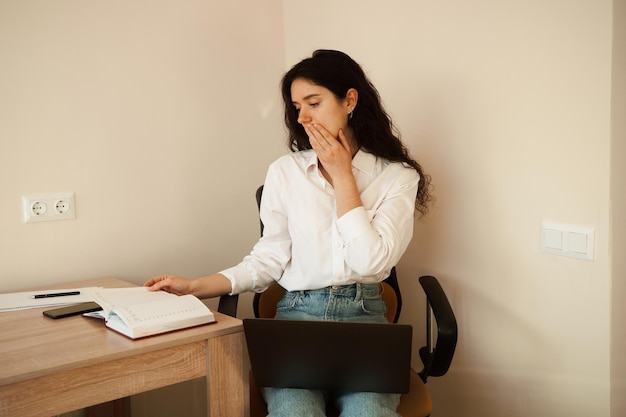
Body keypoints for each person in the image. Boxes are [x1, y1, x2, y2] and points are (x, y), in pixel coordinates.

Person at [144, 49, 432, 417]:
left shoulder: (397, 177)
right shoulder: (285, 172)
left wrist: (343, 174)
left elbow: (370, 260)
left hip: (365, 318)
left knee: (370, 413)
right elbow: (268, 259)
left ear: (350, 100)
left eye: (313, 102)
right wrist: (194, 286)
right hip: (298, 318)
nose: (303, 117)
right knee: (294, 412)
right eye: (297, 106)